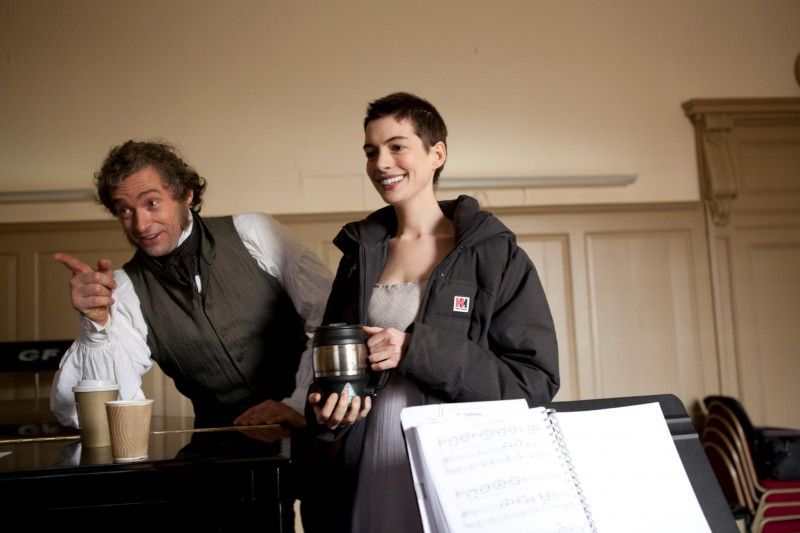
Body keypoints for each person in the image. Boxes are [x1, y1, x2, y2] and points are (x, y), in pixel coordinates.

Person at [305, 92, 560, 533]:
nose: (382, 163)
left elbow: (533, 383)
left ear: (436, 154)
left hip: (460, 472)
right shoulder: (359, 255)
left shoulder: (495, 255)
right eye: (371, 151)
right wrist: (328, 414)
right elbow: (331, 370)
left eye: (397, 146)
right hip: (366, 469)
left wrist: (413, 349)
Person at [50, 139, 332, 530]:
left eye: (151, 203)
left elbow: (331, 317)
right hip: (226, 456)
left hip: (319, 426)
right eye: (125, 211)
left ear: (186, 194)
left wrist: (298, 403)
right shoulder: (125, 290)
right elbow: (87, 412)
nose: (140, 225)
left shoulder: (253, 232)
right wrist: (96, 326)